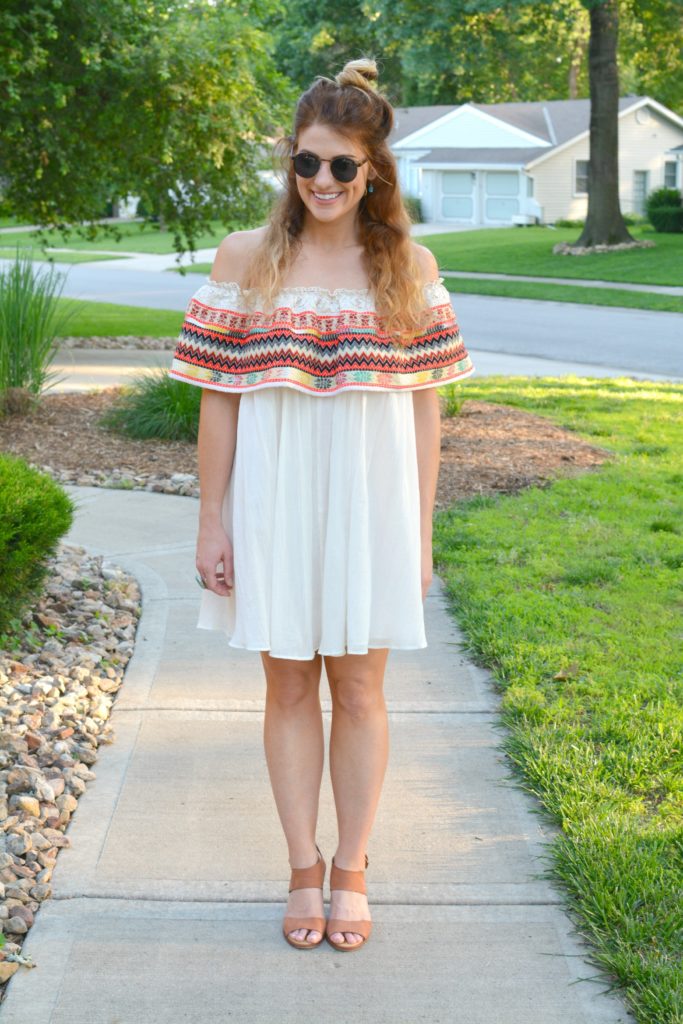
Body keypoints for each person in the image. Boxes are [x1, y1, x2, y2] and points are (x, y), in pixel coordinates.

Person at [167, 56, 475, 952]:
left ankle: (353, 871)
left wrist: (418, 533)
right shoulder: (246, 260)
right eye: (307, 162)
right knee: (289, 682)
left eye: (342, 165)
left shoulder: (408, 268)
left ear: (373, 169)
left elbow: (424, 413)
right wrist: (211, 518)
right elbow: (218, 397)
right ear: (288, 164)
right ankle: (302, 868)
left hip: (371, 498)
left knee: (363, 687)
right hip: (275, 495)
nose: (323, 182)